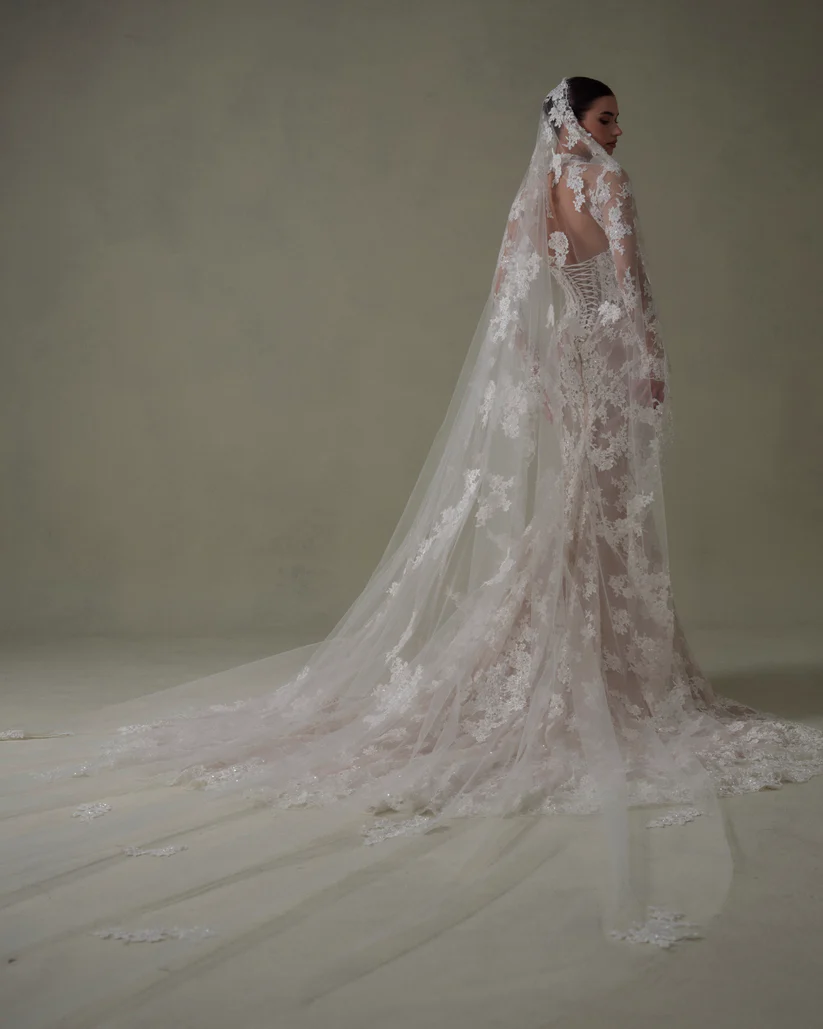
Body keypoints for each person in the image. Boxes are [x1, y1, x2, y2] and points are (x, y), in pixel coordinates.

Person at [5, 78, 823, 950]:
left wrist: (544, 370)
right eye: (604, 118)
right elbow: (627, 278)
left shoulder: (538, 192)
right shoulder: (607, 182)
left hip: (564, 355)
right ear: (569, 126)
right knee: (602, 510)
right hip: (608, 351)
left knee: (583, 509)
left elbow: (514, 295)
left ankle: (574, 648)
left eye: (617, 120)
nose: (617, 132)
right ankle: (594, 660)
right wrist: (648, 355)